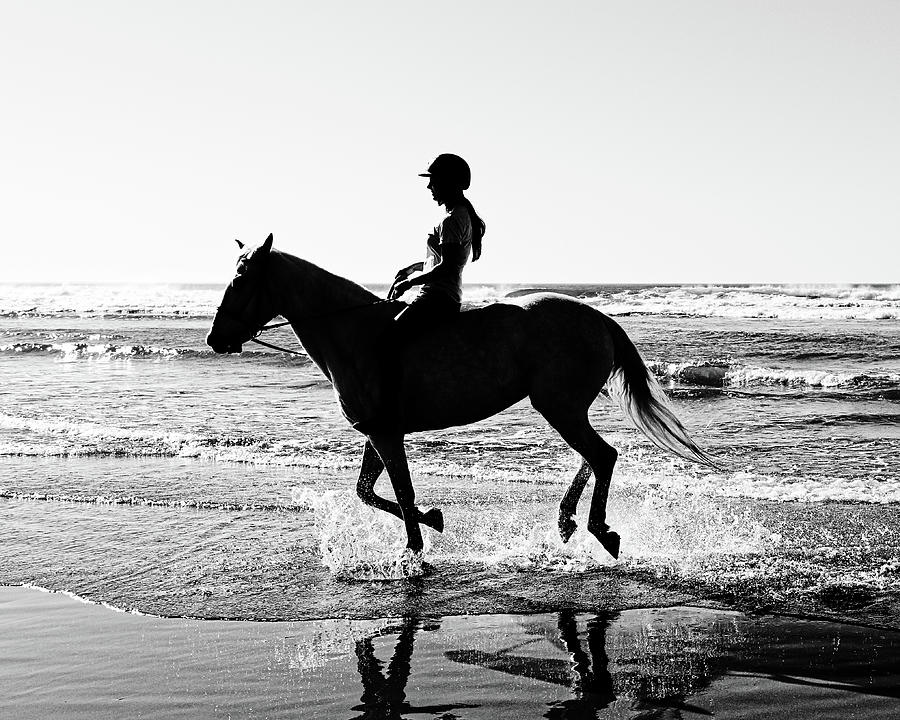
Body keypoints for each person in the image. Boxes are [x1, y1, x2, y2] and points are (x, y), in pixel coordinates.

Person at [387, 153, 486, 339]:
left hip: (437, 299)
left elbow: (447, 267)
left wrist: (409, 284)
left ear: (448, 182)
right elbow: (442, 260)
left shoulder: (451, 220)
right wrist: (413, 269)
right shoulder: (460, 215)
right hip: (444, 298)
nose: (429, 186)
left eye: (434, 181)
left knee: (389, 337)